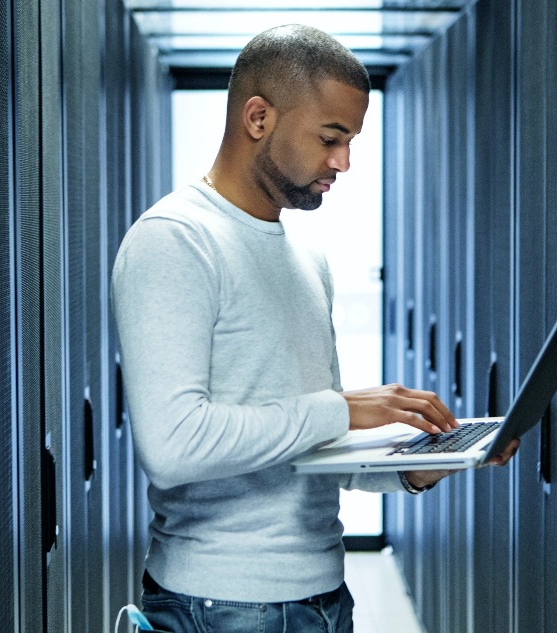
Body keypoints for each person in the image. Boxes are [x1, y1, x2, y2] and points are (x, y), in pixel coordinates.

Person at [111, 24, 519, 633]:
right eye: (331, 138)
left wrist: (420, 466)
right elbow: (172, 447)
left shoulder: (306, 256)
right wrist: (343, 409)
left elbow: (314, 449)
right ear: (258, 117)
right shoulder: (174, 240)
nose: (345, 163)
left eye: (351, 141)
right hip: (221, 605)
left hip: (324, 598)